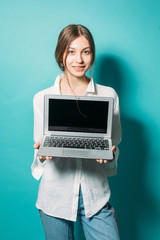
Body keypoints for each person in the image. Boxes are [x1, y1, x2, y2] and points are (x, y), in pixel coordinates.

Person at [32, 24, 122, 240]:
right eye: (71, 51)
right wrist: (42, 155)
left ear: (92, 55)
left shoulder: (108, 95)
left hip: (95, 196)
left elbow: (114, 144)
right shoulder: (42, 98)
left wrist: (109, 154)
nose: (79, 59)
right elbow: (39, 148)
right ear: (61, 54)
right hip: (54, 198)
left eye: (86, 51)